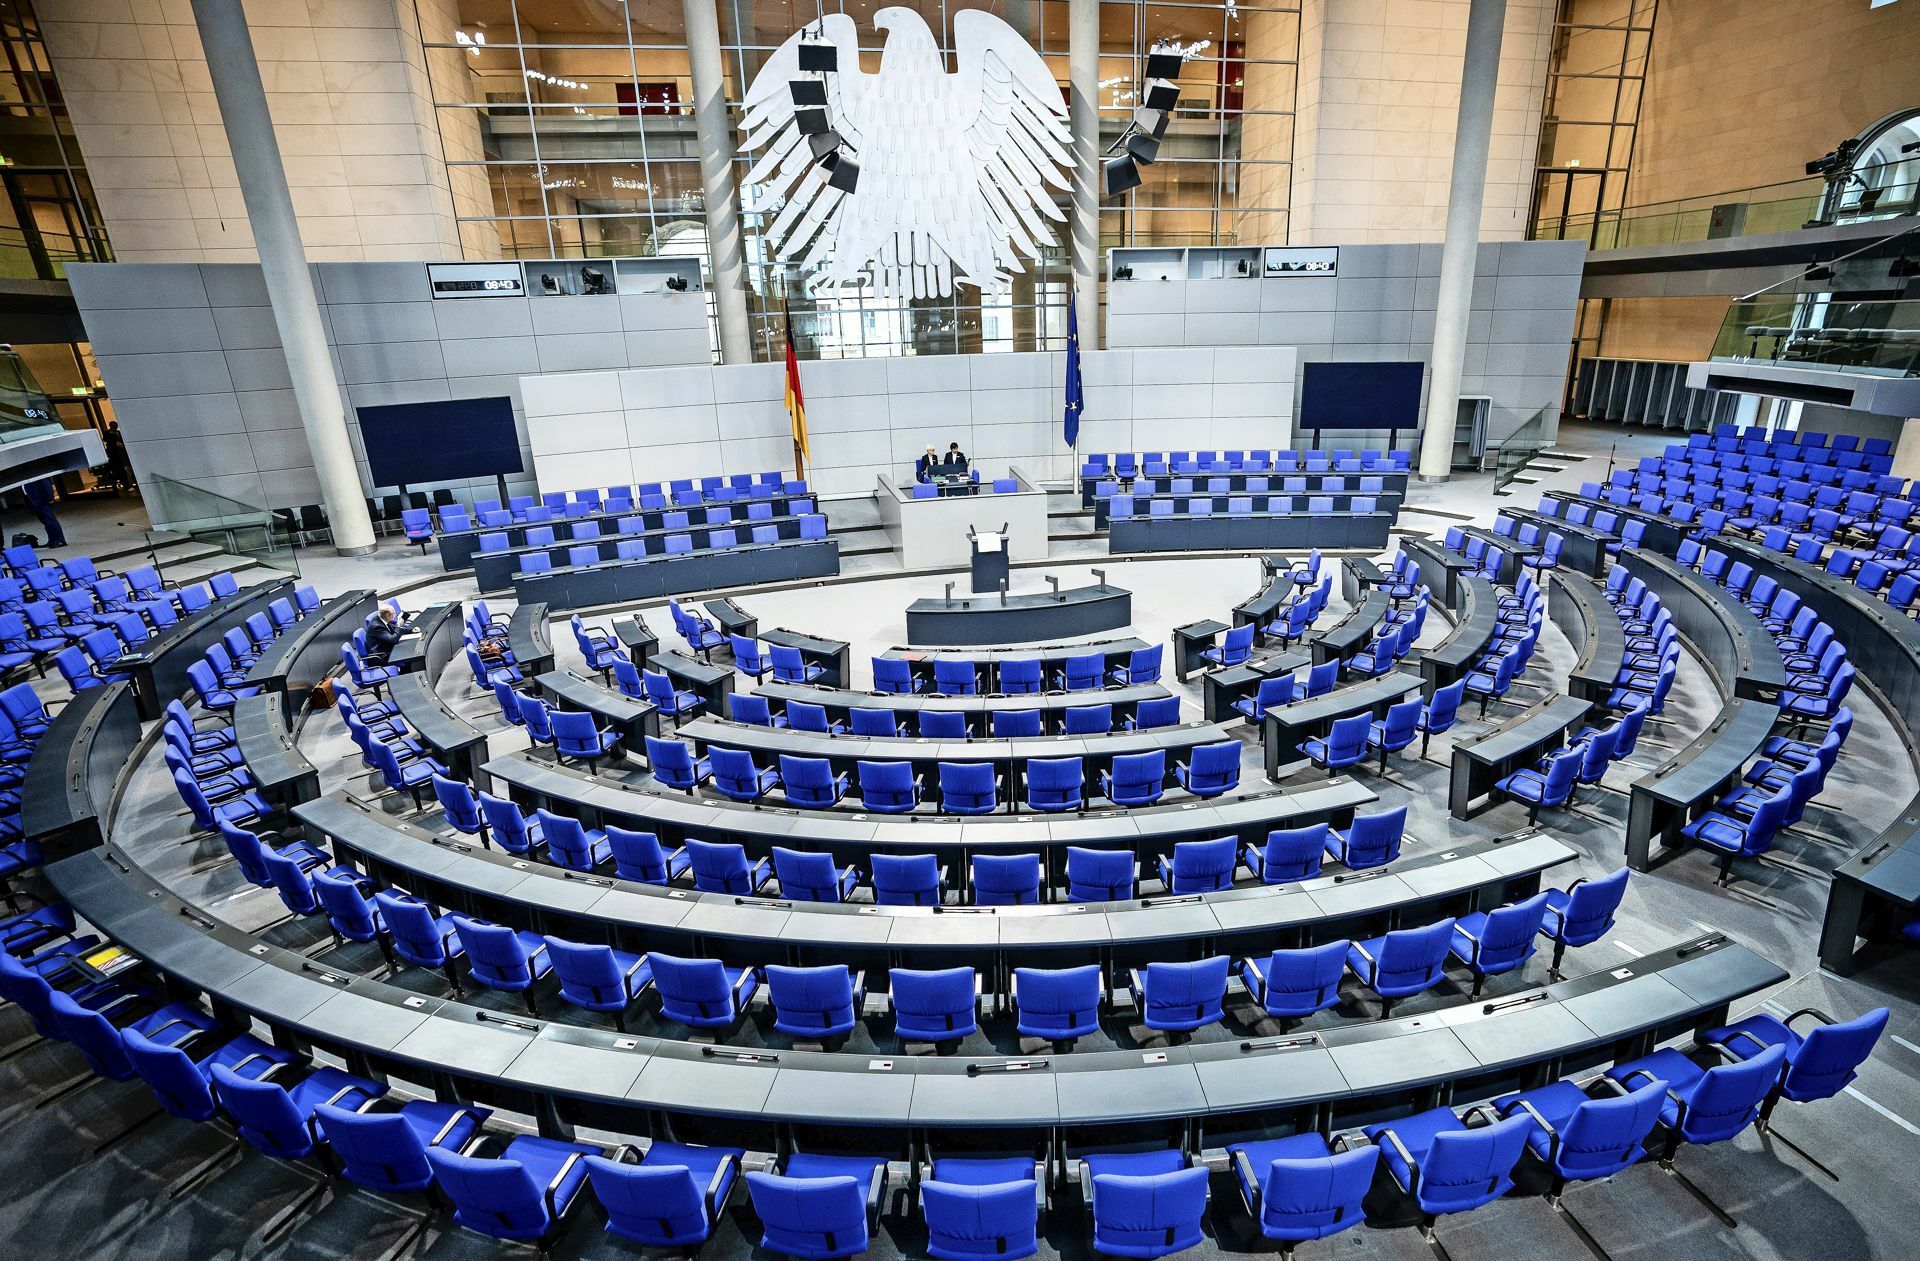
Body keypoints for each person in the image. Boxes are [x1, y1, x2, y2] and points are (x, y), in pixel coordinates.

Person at [22, 477, 65, 547]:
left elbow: (45, 484)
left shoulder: (33, 473)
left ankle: (61, 540)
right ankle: (52, 540)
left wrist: (50, 498)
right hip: (34, 502)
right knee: (45, 522)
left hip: (41, 501)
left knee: (51, 521)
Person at [102, 422, 132, 493]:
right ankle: (122, 485)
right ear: (110, 426)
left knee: (124, 469)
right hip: (114, 454)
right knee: (118, 470)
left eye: (116, 426)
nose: (115, 428)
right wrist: (115, 443)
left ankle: (127, 484)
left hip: (121, 453)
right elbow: (106, 440)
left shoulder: (118, 432)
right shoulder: (106, 433)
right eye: (114, 426)